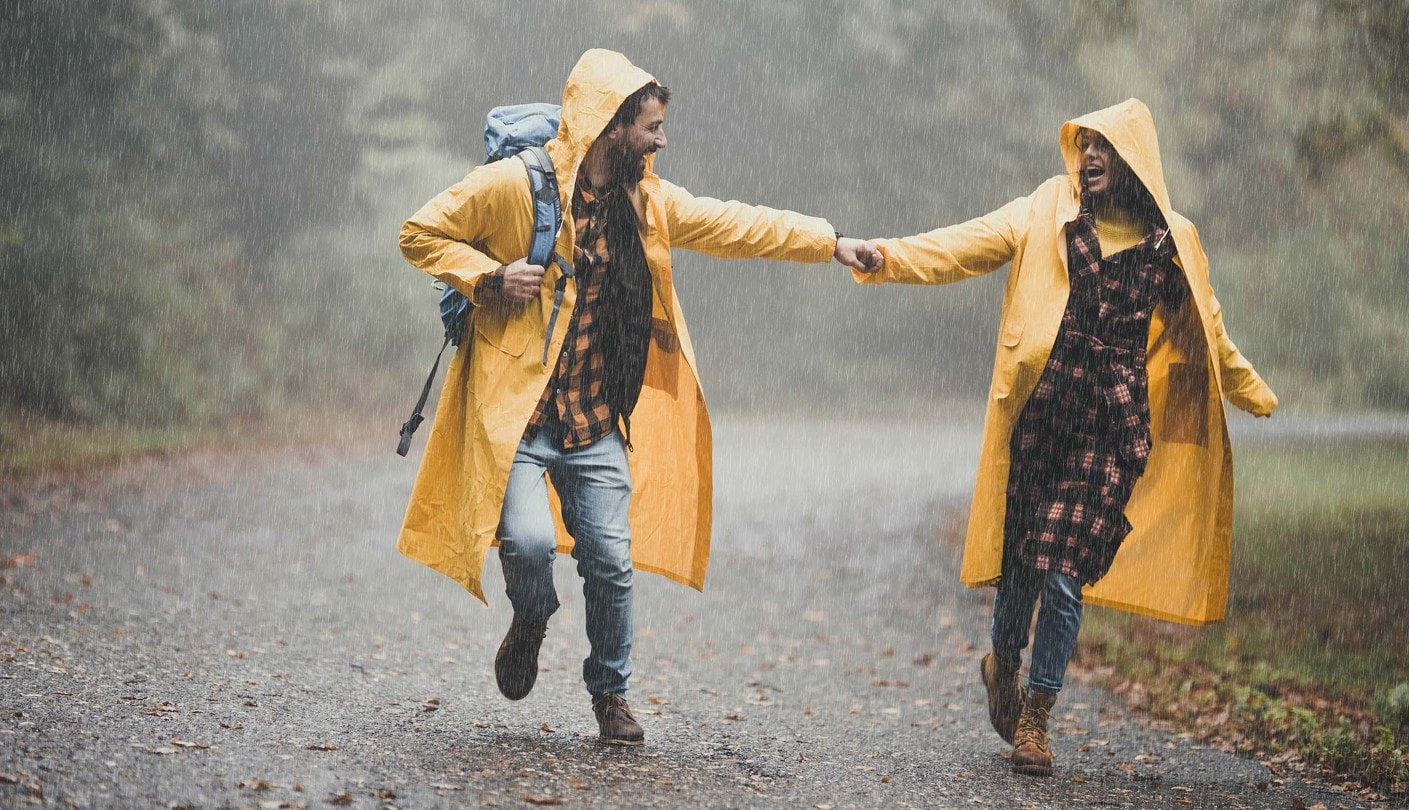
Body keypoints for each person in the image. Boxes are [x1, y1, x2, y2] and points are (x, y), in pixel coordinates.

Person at [395, 49, 881, 746]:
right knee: (528, 546)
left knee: (612, 563)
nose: (660, 140)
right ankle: (530, 617)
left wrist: (831, 242)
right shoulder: (515, 187)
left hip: (594, 419)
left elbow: (738, 223)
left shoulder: (646, 201)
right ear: (610, 127)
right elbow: (418, 231)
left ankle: (610, 694)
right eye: (650, 127)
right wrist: (490, 276)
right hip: (520, 419)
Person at [853, 98, 1276, 776]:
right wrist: (887, 257)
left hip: (1111, 429)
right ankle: (1004, 664)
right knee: (1020, 564)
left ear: (1135, 160)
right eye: (1085, 147)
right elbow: (963, 245)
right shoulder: (1045, 210)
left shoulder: (1172, 243)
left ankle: (1036, 716)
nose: (1091, 157)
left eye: (1105, 147)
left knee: (1065, 571)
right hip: (1042, 416)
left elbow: (1209, 327)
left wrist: (1249, 388)